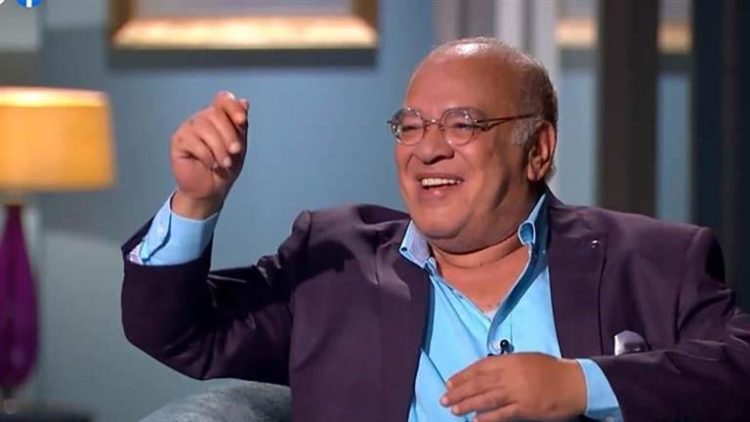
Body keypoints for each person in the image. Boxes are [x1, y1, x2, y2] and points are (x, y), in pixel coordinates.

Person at [121, 37, 750, 422]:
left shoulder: (655, 260)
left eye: (462, 124)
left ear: (537, 150)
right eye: (411, 126)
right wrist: (197, 201)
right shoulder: (333, 263)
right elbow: (178, 331)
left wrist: (579, 384)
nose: (427, 149)